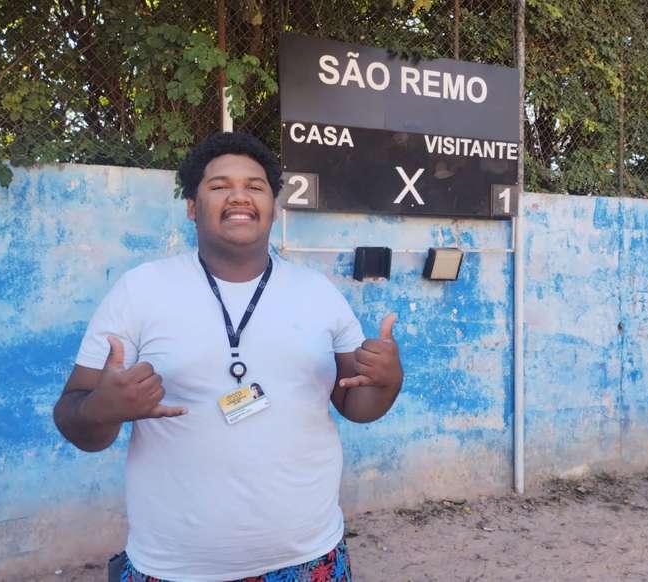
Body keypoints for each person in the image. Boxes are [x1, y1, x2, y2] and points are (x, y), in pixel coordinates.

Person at [52, 132, 404, 582]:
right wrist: (102, 409)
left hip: (311, 557)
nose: (239, 195)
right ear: (192, 207)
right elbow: (75, 416)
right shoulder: (140, 291)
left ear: (273, 206)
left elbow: (358, 406)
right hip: (175, 567)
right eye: (219, 185)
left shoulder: (318, 294)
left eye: (255, 186)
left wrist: (389, 380)